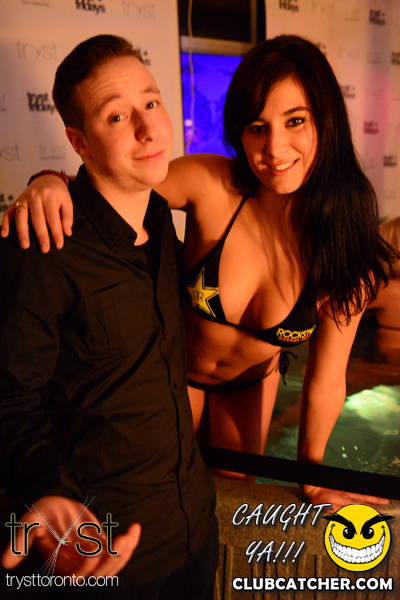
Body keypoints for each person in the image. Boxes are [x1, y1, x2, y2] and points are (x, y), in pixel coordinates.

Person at [3, 35, 395, 511]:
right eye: (256, 127)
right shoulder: (212, 184)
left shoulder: (346, 250)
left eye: (295, 121)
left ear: (326, 120)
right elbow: (114, 186)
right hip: (175, 372)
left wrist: (312, 477)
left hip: (250, 386)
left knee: (230, 501)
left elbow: (326, 381)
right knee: (157, 496)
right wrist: (47, 180)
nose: (275, 148)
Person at [0, 35, 217, 599]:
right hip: (103, 558)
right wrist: (46, 490)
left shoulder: (162, 220)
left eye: (151, 102)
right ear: (79, 141)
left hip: (195, 530)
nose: (148, 128)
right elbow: (11, 399)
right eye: (117, 116)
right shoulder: (41, 246)